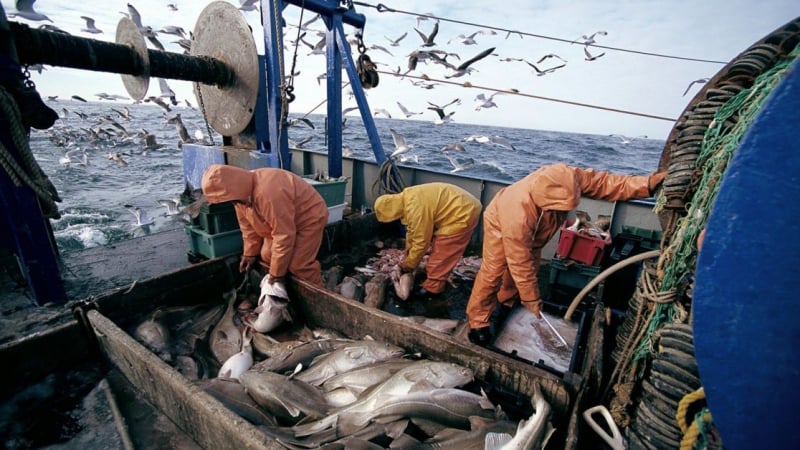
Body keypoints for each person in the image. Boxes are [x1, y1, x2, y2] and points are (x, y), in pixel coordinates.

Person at [466, 163, 667, 346]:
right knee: (493, 271)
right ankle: (478, 321)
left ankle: (506, 302)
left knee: (529, 269)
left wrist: (646, 185)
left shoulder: (570, 178)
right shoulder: (517, 213)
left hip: (537, 231)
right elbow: (519, 261)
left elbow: (605, 183)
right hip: (501, 224)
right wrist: (531, 298)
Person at [200, 164, 329, 287]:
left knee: (298, 266)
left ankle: (320, 296)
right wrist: (249, 253)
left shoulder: (268, 193)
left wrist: (277, 275)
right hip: (280, 224)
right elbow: (248, 227)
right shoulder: (239, 197)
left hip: (309, 218)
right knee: (267, 256)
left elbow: (283, 235)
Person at [374, 182, 482, 299]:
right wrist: (408, 251)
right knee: (436, 249)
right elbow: (412, 231)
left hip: (463, 212)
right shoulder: (407, 198)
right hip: (459, 205)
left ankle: (433, 289)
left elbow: (421, 243)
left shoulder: (416, 210)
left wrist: (409, 265)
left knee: (443, 252)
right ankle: (434, 279)